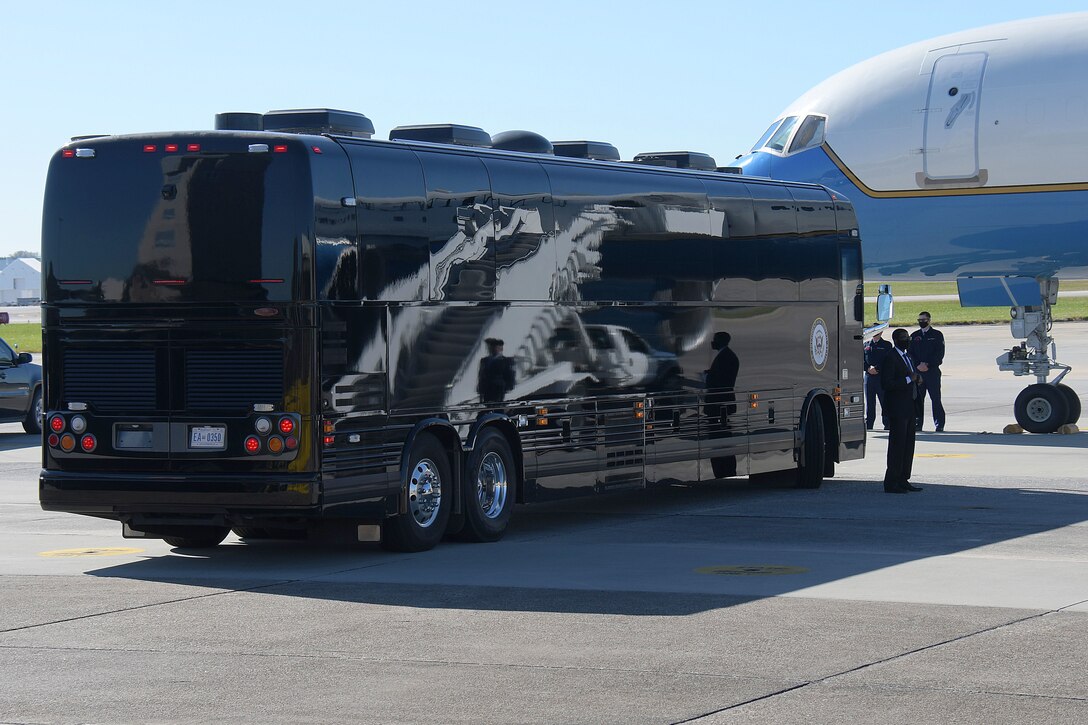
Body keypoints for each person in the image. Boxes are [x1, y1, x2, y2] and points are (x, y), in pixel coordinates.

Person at [881, 328, 923, 493]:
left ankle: (903, 478)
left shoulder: (908, 356)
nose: (907, 340)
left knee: (908, 445)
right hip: (897, 408)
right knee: (897, 446)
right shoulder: (890, 358)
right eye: (904, 338)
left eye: (908, 337)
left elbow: (912, 376)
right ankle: (891, 481)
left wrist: (917, 379)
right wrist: (908, 379)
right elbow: (887, 383)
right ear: (896, 340)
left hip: (910, 406)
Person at [909, 311, 946, 432]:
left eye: (923, 320)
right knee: (918, 399)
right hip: (918, 373)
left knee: (935, 398)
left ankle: (939, 424)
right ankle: (918, 424)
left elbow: (939, 353)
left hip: (932, 372)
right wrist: (917, 365)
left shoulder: (937, 335)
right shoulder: (914, 336)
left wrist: (928, 364)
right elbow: (910, 353)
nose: (921, 322)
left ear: (929, 320)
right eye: (919, 320)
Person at [864, 328, 893, 430]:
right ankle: (869, 424)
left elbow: (888, 361)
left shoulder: (886, 345)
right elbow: (861, 359)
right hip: (869, 377)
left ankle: (887, 423)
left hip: (881, 377)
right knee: (870, 402)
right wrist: (867, 368)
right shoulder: (866, 345)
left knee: (884, 401)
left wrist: (877, 368)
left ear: (881, 333)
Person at [477, 338, 515, 405]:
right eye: (492, 347)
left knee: (497, 406)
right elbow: (481, 375)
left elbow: (509, 374)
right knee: (487, 406)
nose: (493, 350)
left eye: (496, 348)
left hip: (498, 388)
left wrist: (509, 386)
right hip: (487, 388)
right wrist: (480, 388)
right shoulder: (484, 360)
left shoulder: (505, 361)